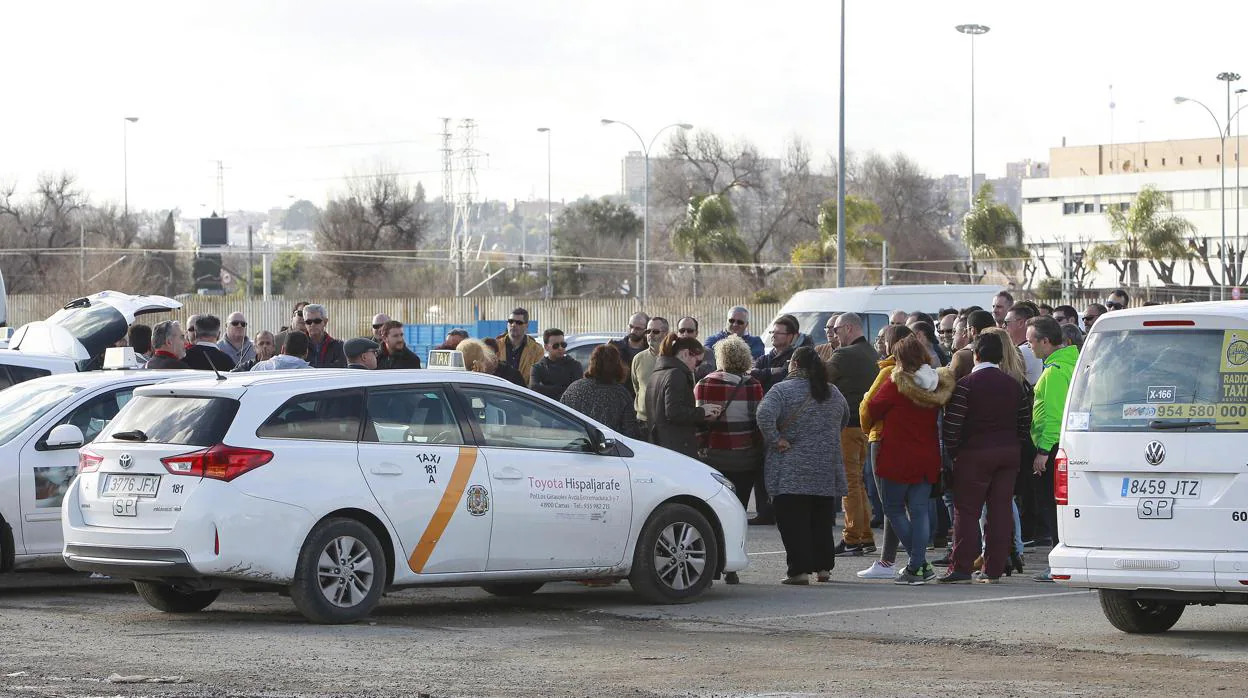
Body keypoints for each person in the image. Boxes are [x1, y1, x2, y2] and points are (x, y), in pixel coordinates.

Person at [939, 332, 1033, 584]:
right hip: (1008, 452)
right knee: (1000, 511)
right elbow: (1025, 420)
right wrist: (1015, 443)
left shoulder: (966, 385)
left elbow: (952, 426)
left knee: (967, 512)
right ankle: (993, 569)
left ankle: (961, 567)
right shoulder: (1013, 384)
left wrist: (954, 452)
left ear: (976, 355)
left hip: (974, 453)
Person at [756, 346, 849, 585]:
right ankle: (823, 568)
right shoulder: (833, 391)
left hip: (791, 467)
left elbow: (763, 415)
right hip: (824, 466)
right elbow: (845, 417)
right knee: (821, 521)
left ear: (794, 365)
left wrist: (777, 440)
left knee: (793, 522)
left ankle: (798, 571)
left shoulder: (781, 390)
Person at [866, 334, 955, 585]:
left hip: (896, 455)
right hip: (927, 455)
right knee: (919, 512)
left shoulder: (896, 383)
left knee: (893, 509)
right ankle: (918, 566)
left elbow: (872, 409)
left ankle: (919, 564)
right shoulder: (937, 383)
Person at [856, 324, 914, 579]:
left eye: (883, 339)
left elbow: (868, 406)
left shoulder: (889, 370)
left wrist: (867, 425)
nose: (879, 343)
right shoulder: (920, 371)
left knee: (890, 504)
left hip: (882, 438)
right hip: (909, 441)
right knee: (901, 505)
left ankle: (914, 557)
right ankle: (888, 560)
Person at [1026, 316, 1078, 583]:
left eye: (1032, 340)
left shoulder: (1055, 371)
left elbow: (1054, 417)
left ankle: (1057, 562)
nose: (1029, 345)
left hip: (1053, 447)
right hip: (1061, 446)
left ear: (1046, 341)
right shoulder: (1070, 363)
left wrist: (1043, 452)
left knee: (1053, 509)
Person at [824, 312, 878, 556]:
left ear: (847, 328)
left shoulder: (843, 355)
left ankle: (853, 537)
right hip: (867, 426)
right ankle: (864, 536)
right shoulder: (872, 353)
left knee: (850, 484)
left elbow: (820, 381)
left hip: (848, 426)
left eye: (835, 330)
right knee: (859, 483)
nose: (833, 335)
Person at [694, 335, 765, 512]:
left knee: (714, 507)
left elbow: (698, 420)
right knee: (739, 507)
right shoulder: (754, 385)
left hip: (713, 456)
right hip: (746, 458)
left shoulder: (705, 383)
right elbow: (759, 421)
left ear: (721, 357)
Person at [645, 333, 721, 457]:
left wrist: (700, 416)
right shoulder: (676, 374)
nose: (696, 368)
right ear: (686, 353)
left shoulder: (657, 374)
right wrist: (702, 411)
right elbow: (674, 412)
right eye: (698, 362)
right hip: (677, 447)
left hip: (660, 445)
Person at [561, 343, 640, 439]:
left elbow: (560, 422)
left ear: (592, 362)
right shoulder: (621, 394)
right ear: (618, 364)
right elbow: (630, 432)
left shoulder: (574, 388)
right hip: (609, 448)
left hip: (576, 446)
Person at [631, 317, 671, 437]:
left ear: (666, 334)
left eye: (655, 331)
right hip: (643, 423)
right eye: (648, 331)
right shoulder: (638, 358)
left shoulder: (676, 357)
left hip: (668, 423)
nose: (650, 335)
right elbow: (637, 388)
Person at [753, 314, 808, 393]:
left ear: (790, 336)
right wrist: (771, 371)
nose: (773, 335)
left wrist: (762, 374)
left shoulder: (795, 358)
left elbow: (783, 378)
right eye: (772, 332)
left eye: (778, 333)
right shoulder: (763, 359)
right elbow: (752, 376)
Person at [530, 328, 583, 400]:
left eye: (563, 344)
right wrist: (564, 388)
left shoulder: (575, 366)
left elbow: (577, 391)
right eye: (556, 345)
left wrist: (546, 388)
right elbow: (534, 388)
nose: (560, 348)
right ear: (546, 347)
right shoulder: (538, 368)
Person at [949, 310, 998, 381]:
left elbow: (948, 384)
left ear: (973, 330)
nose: (964, 333)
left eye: (967, 329)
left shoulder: (961, 356)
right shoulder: (1005, 349)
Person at [1002, 304, 1043, 386]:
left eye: (1006, 322)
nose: (1003, 326)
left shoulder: (1023, 351)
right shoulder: (1029, 348)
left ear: (1020, 323)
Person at [497, 307, 543, 380]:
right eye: (510, 321)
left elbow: (537, 379)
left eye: (519, 322)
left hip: (523, 390)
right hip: (499, 390)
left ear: (526, 325)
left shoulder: (536, 350)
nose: (513, 325)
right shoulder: (496, 345)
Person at [301, 304, 347, 368]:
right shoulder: (299, 346)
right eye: (308, 322)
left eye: (317, 321)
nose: (312, 324)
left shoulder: (338, 346)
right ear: (305, 324)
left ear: (325, 322)